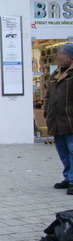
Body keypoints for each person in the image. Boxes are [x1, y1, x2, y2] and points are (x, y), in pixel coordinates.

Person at [45, 43, 73, 194]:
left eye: (64, 54)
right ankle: (68, 177)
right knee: (62, 151)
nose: (60, 57)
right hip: (56, 120)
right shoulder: (55, 74)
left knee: (72, 150)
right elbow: (49, 96)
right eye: (60, 54)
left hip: (70, 120)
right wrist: (46, 111)